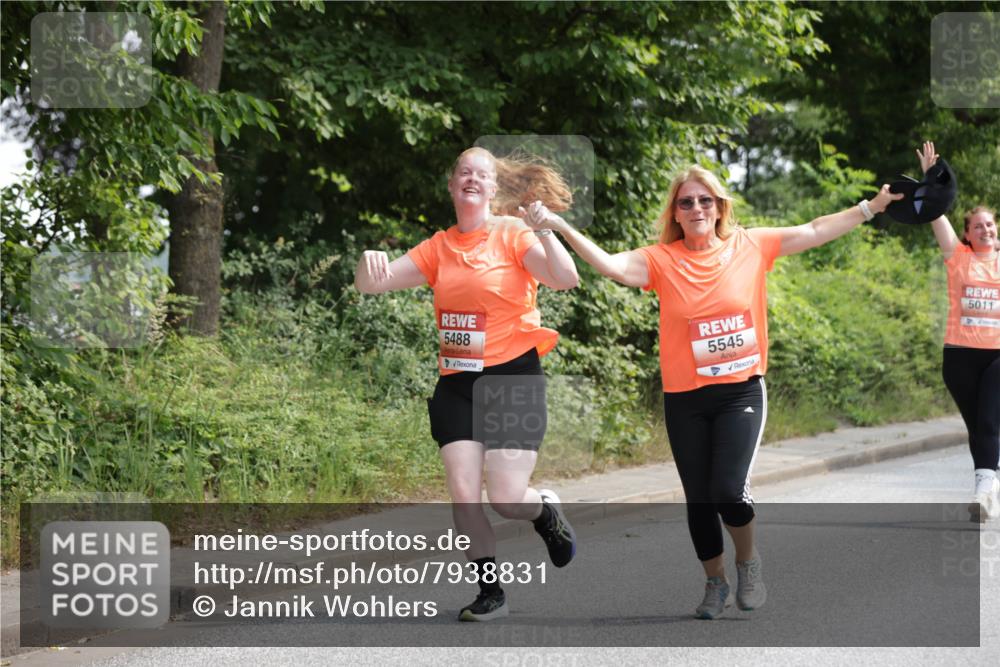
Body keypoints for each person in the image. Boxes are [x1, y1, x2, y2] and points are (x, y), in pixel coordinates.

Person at [523, 166, 901, 619]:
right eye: (687, 202)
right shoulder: (661, 260)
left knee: (728, 490)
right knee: (699, 498)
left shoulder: (750, 245)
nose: (697, 208)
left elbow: (815, 229)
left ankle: (748, 561)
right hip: (685, 398)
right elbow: (610, 265)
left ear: (720, 207)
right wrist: (560, 226)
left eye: (706, 200)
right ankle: (714, 582)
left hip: (740, 393)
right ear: (676, 213)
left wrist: (872, 207)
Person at [354, 147, 580, 621]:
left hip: (513, 378)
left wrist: (544, 230)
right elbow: (372, 285)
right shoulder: (438, 247)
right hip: (458, 382)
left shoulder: (513, 234)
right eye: (465, 173)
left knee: (505, 497)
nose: (473, 180)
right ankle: (490, 591)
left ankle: (544, 512)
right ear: (453, 185)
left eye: (483, 174)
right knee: (462, 492)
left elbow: (565, 278)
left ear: (494, 189)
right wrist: (367, 262)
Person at [917, 141, 1000, 522]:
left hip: (998, 356)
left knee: (988, 422)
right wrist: (931, 177)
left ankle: (983, 494)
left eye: (990, 225)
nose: (985, 229)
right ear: (967, 233)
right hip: (960, 358)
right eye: (978, 225)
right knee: (977, 429)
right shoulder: (957, 257)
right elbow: (935, 213)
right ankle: (990, 483)